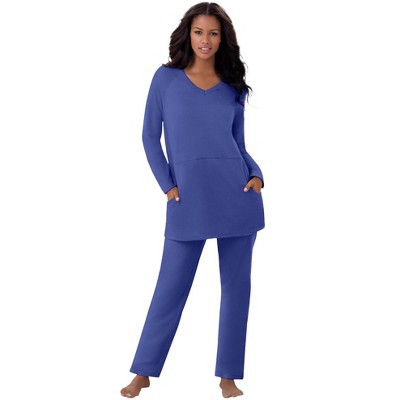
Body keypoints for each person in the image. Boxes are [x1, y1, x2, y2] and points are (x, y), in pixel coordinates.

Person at [120, 2, 265, 398]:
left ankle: (228, 377)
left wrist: (256, 175)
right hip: (188, 199)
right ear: (188, 33)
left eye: (213, 33)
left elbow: (238, 145)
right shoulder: (165, 79)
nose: (206, 40)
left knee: (236, 291)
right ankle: (143, 372)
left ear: (222, 39)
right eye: (199, 32)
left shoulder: (232, 85)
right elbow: (149, 136)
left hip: (238, 196)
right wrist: (167, 185)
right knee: (170, 287)